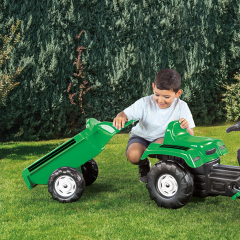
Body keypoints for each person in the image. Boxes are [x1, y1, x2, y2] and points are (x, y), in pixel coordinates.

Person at [113, 69, 195, 183]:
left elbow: (190, 134)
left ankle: (163, 172)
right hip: (141, 136)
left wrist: (186, 127)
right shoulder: (145, 102)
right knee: (134, 155)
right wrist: (121, 116)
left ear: (178, 93)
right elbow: (125, 114)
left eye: (166, 97)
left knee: (162, 149)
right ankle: (144, 164)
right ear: (153, 87)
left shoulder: (182, 106)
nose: (160, 100)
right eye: (157, 94)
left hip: (164, 139)